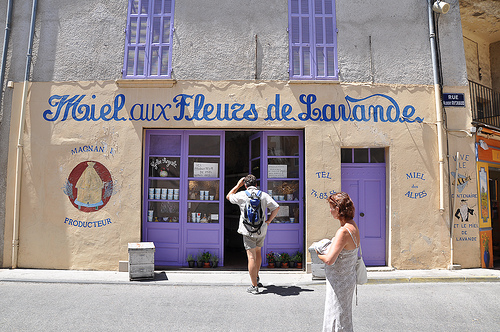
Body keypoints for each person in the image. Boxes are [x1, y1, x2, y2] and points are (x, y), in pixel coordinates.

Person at [226, 174, 280, 294]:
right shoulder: (264, 195)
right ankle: (256, 277)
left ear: (245, 185)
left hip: (247, 230)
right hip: (261, 229)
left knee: (251, 257)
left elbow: (228, 196)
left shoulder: (242, 195)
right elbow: (276, 207)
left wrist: (237, 185)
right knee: (258, 252)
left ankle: (254, 286)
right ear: (256, 185)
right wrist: (269, 221)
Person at [316, 192, 360, 332]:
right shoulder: (352, 226)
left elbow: (329, 260)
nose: (330, 211)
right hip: (347, 279)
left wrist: (318, 254)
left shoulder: (343, 231)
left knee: (336, 316)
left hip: (339, 281)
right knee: (343, 316)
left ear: (339, 209)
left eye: (331, 207)